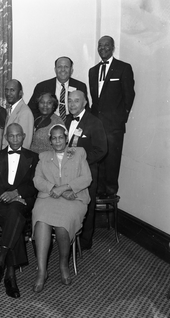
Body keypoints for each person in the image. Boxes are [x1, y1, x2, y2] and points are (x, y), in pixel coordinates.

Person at [32, 124, 92, 293]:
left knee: (62, 224)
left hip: (74, 199)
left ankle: (63, 264)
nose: (57, 140)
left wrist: (65, 188)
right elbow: (38, 181)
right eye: (54, 138)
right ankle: (42, 271)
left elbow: (86, 178)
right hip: (49, 197)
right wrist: (54, 189)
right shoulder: (43, 157)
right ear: (50, 141)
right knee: (41, 220)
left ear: (66, 139)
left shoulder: (78, 153)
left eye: (61, 137)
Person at [0, 123, 39, 299]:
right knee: (14, 218)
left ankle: (1, 261)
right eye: (11, 136)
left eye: (18, 136)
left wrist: (16, 193)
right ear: (6, 137)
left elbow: (35, 184)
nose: (15, 139)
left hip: (22, 200)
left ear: (23, 136)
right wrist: (5, 195)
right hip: (0, 203)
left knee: (15, 211)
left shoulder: (34, 157)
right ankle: (9, 274)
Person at [89, 35, 135, 199]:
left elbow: (129, 96)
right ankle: (98, 191)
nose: (102, 48)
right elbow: (95, 100)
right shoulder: (93, 71)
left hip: (114, 126)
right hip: (96, 125)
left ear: (113, 47)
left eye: (106, 45)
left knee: (112, 161)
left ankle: (110, 192)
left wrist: (121, 119)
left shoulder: (123, 68)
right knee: (97, 160)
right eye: (100, 45)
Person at [65, 90, 107, 250]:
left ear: (85, 103)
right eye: (70, 101)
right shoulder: (67, 119)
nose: (72, 104)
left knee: (86, 205)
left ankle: (84, 242)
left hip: (87, 172)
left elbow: (101, 149)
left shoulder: (94, 122)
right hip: (68, 172)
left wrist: (79, 162)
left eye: (76, 101)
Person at [2, 79, 34, 150]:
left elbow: (24, 143)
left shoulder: (25, 112)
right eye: (6, 90)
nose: (8, 93)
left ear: (20, 93)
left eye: (12, 90)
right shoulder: (12, 109)